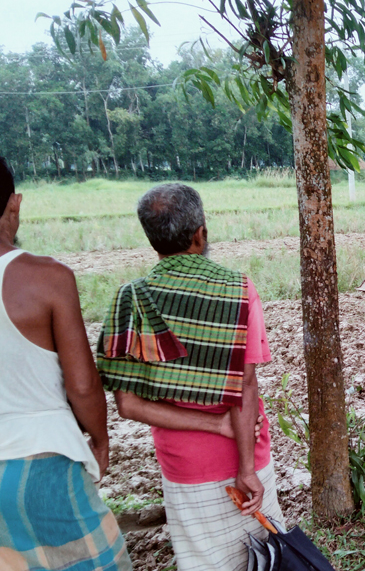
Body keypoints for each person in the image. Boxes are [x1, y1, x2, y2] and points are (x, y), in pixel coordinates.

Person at [0, 149, 131, 570]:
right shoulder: (49, 277)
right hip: (41, 467)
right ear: (16, 201)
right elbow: (82, 385)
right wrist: (100, 439)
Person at [96, 183, 282, 571]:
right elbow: (245, 386)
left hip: (184, 464)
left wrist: (213, 426)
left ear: (152, 241)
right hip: (248, 451)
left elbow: (127, 405)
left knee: (205, 561)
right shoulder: (238, 290)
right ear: (201, 234)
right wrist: (246, 468)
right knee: (266, 557)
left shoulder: (131, 299)